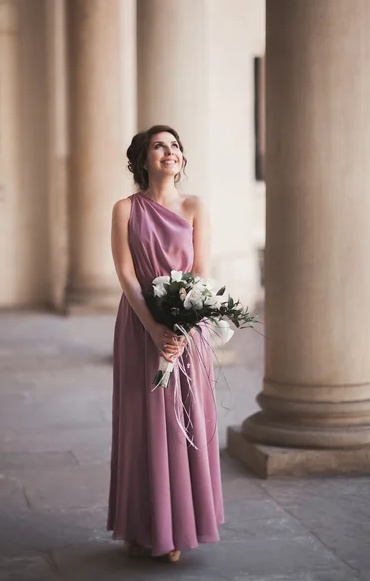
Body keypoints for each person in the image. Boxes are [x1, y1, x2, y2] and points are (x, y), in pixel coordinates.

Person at [107, 124, 224, 562]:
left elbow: (199, 271)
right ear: (142, 159)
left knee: (181, 423)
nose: (169, 151)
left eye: (175, 145)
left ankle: (176, 530)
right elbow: (125, 273)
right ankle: (140, 524)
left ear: (182, 158)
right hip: (140, 325)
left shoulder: (195, 207)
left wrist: (181, 323)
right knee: (142, 423)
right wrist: (154, 327)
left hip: (186, 328)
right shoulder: (124, 209)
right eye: (159, 146)